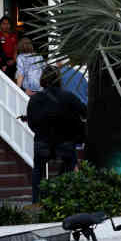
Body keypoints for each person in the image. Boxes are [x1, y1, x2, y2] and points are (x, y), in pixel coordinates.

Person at [26, 66, 86, 200]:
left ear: (42, 80)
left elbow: (31, 122)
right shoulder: (68, 97)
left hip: (42, 141)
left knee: (38, 172)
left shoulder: (35, 99)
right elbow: (85, 112)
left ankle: (37, 201)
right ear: (59, 79)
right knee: (70, 167)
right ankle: (70, 199)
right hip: (65, 141)